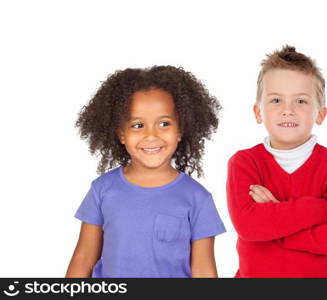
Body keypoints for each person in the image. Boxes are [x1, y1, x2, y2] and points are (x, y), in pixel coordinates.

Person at [66, 66, 226, 278]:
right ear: (121, 134)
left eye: (164, 123)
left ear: (180, 130)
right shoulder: (102, 190)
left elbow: (204, 271)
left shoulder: (198, 198)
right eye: (138, 125)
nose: (151, 135)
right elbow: (83, 259)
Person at [226, 45, 327, 277]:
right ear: (258, 112)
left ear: (320, 114)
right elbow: (249, 227)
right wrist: (319, 208)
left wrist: (274, 219)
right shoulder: (244, 163)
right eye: (276, 100)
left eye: (301, 101)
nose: (287, 110)